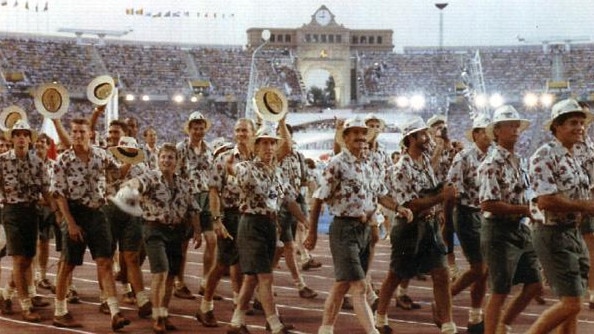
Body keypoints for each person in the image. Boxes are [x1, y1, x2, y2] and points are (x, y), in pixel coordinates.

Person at [305, 116, 412, 334]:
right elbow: (319, 198)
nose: (360, 138)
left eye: (363, 134)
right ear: (345, 138)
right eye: (354, 133)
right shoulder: (337, 164)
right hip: (344, 229)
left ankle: (325, 329)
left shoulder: (370, 163)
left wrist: (399, 207)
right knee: (360, 286)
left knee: (343, 284)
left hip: (364, 230)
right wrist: (312, 233)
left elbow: (381, 194)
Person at [376, 117, 457, 334]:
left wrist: (439, 201)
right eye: (422, 134)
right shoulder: (401, 168)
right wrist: (441, 197)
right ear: (411, 138)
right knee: (397, 274)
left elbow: (431, 189)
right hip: (409, 229)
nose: (427, 137)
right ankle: (380, 316)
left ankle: (448, 324)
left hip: (429, 226)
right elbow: (410, 203)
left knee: (441, 274)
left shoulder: (424, 161)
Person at [50, 118, 131, 330]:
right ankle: (59, 311)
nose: (77, 135)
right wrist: (71, 223)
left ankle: (115, 312)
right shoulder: (63, 160)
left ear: (91, 134)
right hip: (74, 213)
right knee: (68, 264)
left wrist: (131, 160)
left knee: (104, 261)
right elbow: (58, 195)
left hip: (98, 213)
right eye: (74, 131)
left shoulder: (101, 154)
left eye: (81, 132)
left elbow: (117, 173)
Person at [226, 125, 307, 334]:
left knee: (253, 277)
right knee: (265, 276)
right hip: (252, 224)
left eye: (272, 143)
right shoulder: (246, 167)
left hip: (270, 225)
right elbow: (235, 173)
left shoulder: (278, 172)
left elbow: (290, 200)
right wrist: (230, 168)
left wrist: (306, 222)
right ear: (255, 146)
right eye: (264, 143)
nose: (269, 147)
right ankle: (274, 323)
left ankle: (237, 322)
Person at [526, 99, 594, 334]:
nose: (580, 128)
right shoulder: (544, 156)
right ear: (556, 126)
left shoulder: (573, 155)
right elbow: (545, 200)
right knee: (571, 303)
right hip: (552, 233)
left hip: (572, 232)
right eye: (573, 123)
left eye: (582, 123)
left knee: (573, 303)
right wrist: (584, 205)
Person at [122, 142, 202, 333]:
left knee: (171, 276)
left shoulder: (183, 183)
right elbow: (137, 184)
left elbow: (193, 209)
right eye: (163, 157)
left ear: (177, 161)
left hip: (177, 232)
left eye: (170, 157)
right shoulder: (151, 178)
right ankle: (157, 317)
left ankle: (163, 313)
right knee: (160, 272)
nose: (166, 160)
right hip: (154, 230)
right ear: (158, 159)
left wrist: (198, 231)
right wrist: (131, 185)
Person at [478, 105, 543, 334]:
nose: (516, 129)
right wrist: (524, 210)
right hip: (498, 229)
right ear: (497, 131)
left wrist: (528, 210)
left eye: (517, 125)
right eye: (510, 125)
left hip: (518, 227)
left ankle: (502, 326)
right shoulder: (491, 163)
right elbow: (487, 203)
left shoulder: (517, 160)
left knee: (535, 283)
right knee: (500, 290)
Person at [196, 118, 255, 328]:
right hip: (230, 216)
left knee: (241, 265)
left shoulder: (258, 158)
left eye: (245, 130)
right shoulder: (223, 158)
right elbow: (213, 191)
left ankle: (238, 311)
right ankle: (205, 305)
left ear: (253, 132)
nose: (241, 134)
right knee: (222, 263)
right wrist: (216, 219)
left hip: (252, 216)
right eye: (238, 130)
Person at [0, 120, 54, 322]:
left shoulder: (37, 162)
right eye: (17, 134)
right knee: (18, 259)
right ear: (11, 138)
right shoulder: (2, 161)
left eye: (24, 134)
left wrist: (58, 212)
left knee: (28, 259)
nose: (21, 137)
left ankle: (5, 296)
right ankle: (25, 306)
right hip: (12, 212)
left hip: (32, 212)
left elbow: (45, 190)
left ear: (30, 139)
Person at [447, 114, 492, 333]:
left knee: (485, 270)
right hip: (466, 213)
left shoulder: (494, 157)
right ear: (475, 134)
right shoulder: (463, 157)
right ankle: (444, 298)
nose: (489, 136)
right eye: (485, 131)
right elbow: (452, 191)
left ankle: (475, 316)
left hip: (486, 216)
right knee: (479, 267)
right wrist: (447, 222)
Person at [175, 111, 216, 300]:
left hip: (206, 197)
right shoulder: (180, 148)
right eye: (195, 128)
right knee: (182, 244)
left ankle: (206, 282)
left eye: (201, 128)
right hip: (186, 199)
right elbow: (175, 175)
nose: (199, 131)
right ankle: (179, 282)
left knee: (212, 240)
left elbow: (212, 175)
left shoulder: (209, 149)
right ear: (189, 129)